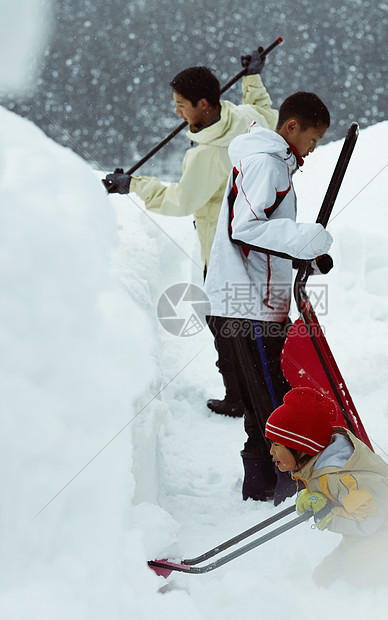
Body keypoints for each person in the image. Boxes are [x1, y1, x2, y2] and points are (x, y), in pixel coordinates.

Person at [103, 50, 278, 418]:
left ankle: (240, 397)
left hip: (222, 249)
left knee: (223, 323)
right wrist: (253, 78)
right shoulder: (243, 118)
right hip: (255, 242)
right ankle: (255, 389)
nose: (177, 113)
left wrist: (134, 184)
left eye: (182, 105)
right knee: (243, 322)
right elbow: (266, 112)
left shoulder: (208, 156)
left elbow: (181, 201)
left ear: (204, 104)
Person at [204, 92, 334, 505]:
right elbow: (246, 227)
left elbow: (265, 236)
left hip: (257, 300)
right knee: (271, 400)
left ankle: (260, 485)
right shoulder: (267, 163)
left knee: (266, 397)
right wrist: (303, 239)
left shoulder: (271, 162)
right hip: (250, 307)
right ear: (291, 127)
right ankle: (280, 487)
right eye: (312, 140)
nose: (312, 151)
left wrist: (300, 254)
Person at [266, 387, 388, 592]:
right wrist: (316, 497)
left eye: (276, 444)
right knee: (323, 578)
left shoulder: (344, 477)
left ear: (300, 446)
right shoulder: (318, 468)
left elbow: (367, 520)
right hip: (365, 537)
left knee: (356, 568)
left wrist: (327, 516)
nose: (271, 452)